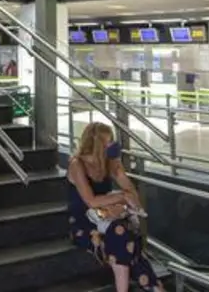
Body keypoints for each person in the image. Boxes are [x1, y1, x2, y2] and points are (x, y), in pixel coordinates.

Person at [66, 122, 162, 292]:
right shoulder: (77, 165)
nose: (112, 146)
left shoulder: (109, 163)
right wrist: (121, 198)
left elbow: (132, 193)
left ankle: (148, 288)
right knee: (123, 235)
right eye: (108, 142)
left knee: (123, 234)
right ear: (98, 144)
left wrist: (123, 197)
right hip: (84, 223)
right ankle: (152, 287)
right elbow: (91, 201)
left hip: (108, 218)